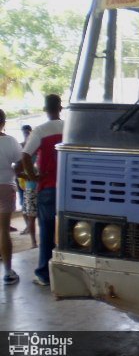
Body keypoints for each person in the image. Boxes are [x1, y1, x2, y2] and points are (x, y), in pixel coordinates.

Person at [22, 95, 64, 286]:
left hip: (47, 187)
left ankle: (44, 274)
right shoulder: (70, 128)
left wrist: (32, 177)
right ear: (60, 108)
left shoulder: (40, 130)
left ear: (45, 108)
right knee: (68, 232)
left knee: (46, 231)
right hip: (69, 190)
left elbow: (25, 155)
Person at [0, 109, 23, 285]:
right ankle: (8, 272)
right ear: (3, 122)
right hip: (6, 187)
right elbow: (20, 162)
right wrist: (14, 173)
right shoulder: (10, 141)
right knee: (4, 230)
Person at [17, 125, 34, 237]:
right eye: (24, 133)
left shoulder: (33, 146)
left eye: (27, 132)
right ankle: (28, 226)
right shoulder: (20, 146)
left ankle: (29, 227)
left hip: (30, 181)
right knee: (23, 205)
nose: (26, 135)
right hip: (22, 179)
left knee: (28, 208)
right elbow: (16, 164)